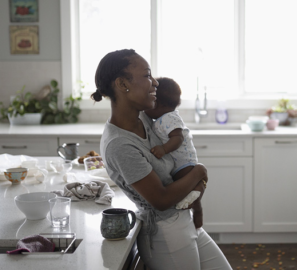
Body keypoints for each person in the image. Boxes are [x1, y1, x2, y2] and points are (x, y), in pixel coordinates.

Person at [92, 49, 231, 270]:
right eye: (147, 75)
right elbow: (162, 199)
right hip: (166, 231)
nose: (155, 83)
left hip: (184, 221)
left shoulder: (145, 118)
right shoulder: (120, 145)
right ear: (122, 84)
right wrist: (199, 171)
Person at [144, 77, 203, 228]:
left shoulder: (169, 118)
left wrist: (163, 149)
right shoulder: (162, 118)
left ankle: (197, 209)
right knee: (187, 190)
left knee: (189, 188)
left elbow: (178, 138)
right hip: (178, 163)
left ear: (158, 103)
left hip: (184, 162)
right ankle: (196, 206)